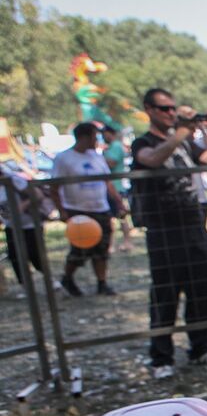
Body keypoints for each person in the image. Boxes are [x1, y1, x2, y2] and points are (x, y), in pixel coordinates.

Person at [130, 87, 207, 379]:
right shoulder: (143, 142)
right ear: (149, 109)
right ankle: (161, 357)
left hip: (194, 223)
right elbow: (151, 159)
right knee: (165, 295)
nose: (171, 113)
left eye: (173, 108)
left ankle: (202, 348)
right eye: (164, 108)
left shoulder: (184, 143)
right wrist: (181, 132)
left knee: (201, 289)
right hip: (163, 229)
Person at [52, 122, 124, 296]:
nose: (96, 140)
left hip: (101, 208)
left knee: (102, 249)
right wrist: (62, 210)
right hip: (78, 210)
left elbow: (107, 181)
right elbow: (54, 187)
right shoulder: (64, 158)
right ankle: (67, 278)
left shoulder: (97, 156)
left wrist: (118, 202)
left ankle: (102, 282)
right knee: (79, 250)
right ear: (83, 137)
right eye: (93, 136)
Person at [1, 161, 46, 289]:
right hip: (11, 226)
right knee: (15, 256)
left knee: (35, 255)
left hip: (31, 224)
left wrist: (20, 207)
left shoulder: (13, 180)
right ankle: (26, 286)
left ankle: (51, 282)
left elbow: (38, 195)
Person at [175, 106, 207, 224]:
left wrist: (204, 129)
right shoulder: (176, 143)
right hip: (183, 202)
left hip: (199, 199)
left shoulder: (191, 145)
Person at [98, 124, 135, 252]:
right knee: (111, 218)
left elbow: (111, 163)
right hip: (109, 187)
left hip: (117, 187)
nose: (103, 136)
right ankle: (111, 244)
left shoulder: (115, 146)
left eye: (104, 133)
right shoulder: (110, 148)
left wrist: (99, 160)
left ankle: (127, 242)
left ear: (110, 133)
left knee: (121, 216)